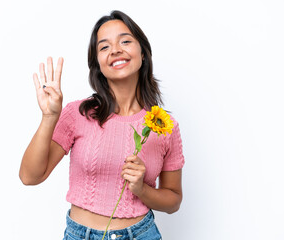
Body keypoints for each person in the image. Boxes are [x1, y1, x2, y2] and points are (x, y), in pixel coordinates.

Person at [19, 10, 185, 240]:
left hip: (141, 234)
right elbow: (30, 177)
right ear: (97, 63)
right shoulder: (78, 114)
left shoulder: (165, 126)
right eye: (104, 47)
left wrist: (142, 189)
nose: (116, 49)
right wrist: (49, 117)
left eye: (125, 41)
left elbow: (173, 201)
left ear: (143, 53)